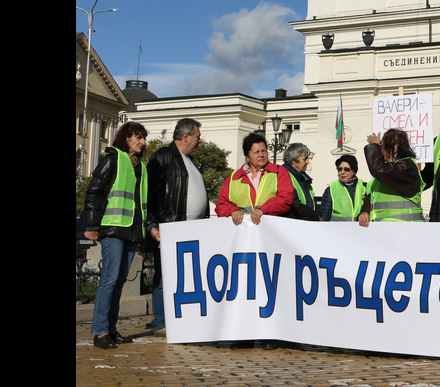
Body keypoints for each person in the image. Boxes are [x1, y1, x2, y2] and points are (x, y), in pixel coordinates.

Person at [83, 121, 161, 349]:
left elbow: (141, 202)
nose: (142, 142)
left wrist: (151, 226)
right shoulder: (112, 159)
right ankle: (99, 332)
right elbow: (94, 192)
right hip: (112, 227)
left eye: (143, 138)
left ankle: (111, 329)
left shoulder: (140, 166)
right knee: (109, 278)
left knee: (118, 281)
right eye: (138, 137)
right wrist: (91, 225)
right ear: (125, 138)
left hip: (131, 230)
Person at [146, 118, 209, 337]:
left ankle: (181, 317)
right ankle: (160, 322)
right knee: (164, 275)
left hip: (191, 229)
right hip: (172, 227)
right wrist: (161, 223)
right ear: (186, 136)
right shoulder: (164, 156)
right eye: (198, 136)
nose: (200, 140)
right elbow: (152, 193)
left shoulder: (189, 160)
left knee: (184, 275)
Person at [215, 132, 294, 225]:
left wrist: (263, 209)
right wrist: (233, 211)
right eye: (256, 152)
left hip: (271, 230)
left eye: (264, 151)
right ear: (247, 156)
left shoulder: (279, 172)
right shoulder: (234, 178)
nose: (261, 155)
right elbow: (221, 205)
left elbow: (286, 199)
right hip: (243, 231)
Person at [365, 129, 424, 222]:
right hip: (385, 229)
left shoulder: (407, 167)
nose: (380, 150)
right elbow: (369, 197)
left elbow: (378, 169)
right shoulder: (381, 176)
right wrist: (365, 211)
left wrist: (373, 146)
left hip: (404, 228)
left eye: (382, 146)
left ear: (395, 147)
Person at [321, 154, 370, 226]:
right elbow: (325, 217)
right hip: (337, 232)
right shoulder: (331, 189)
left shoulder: (364, 186)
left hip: (360, 232)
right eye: (339, 169)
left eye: (347, 169)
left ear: (354, 171)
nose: (342, 172)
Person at [282, 142, 321, 221]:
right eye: (304, 159)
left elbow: (312, 202)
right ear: (293, 161)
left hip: (305, 223)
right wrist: (315, 217)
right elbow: (295, 204)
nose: (307, 162)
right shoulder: (284, 176)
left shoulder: (304, 178)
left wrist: (317, 214)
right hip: (294, 224)